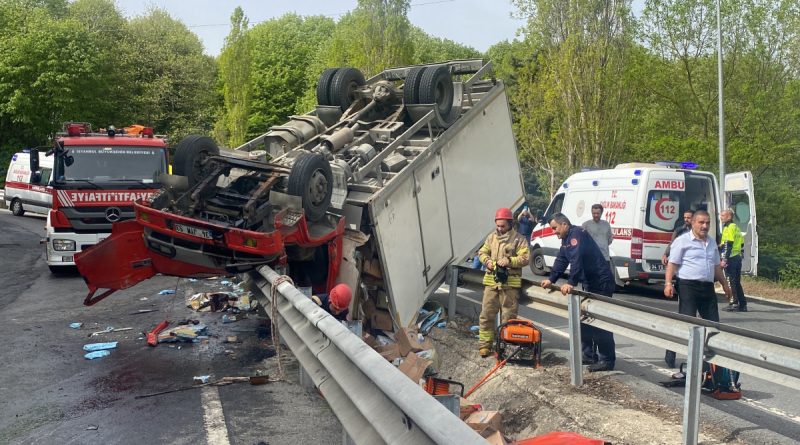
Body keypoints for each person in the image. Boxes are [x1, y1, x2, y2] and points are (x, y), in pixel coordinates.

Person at [541, 213, 617, 372]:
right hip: (589, 282)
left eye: (555, 228)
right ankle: (588, 355)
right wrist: (551, 279)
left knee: (600, 323)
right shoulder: (566, 239)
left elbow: (577, 260)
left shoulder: (576, 235)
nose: (554, 232)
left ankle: (607, 360)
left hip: (601, 282)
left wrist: (571, 283)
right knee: (585, 320)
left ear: (564, 224)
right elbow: (562, 259)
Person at [477, 208, 530, 358]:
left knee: (509, 318)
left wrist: (509, 261)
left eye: (503, 226)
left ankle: (506, 346)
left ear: (510, 224)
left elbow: (525, 258)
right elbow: (482, 252)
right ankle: (485, 346)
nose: (500, 229)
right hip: (491, 284)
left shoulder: (519, 239)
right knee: (486, 315)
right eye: (498, 226)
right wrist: (487, 261)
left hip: (509, 286)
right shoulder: (491, 238)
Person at [664, 210, 733, 323]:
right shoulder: (682, 241)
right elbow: (672, 264)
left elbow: (716, 266)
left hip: (707, 286)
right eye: (701, 222)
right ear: (693, 223)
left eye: (707, 223)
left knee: (713, 322)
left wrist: (725, 284)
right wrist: (668, 284)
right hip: (688, 286)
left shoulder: (712, 242)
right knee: (688, 320)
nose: (705, 226)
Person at [662, 208, 694, 368]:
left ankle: (703, 363)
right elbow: (672, 243)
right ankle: (671, 354)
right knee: (685, 319)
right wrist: (666, 254)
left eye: (689, 217)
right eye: (685, 217)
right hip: (684, 281)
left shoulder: (705, 238)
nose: (686, 220)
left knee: (704, 324)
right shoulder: (680, 231)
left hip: (703, 286)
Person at [720, 209, 747, 312]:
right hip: (737, 257)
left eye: (723, 215)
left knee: (730, 281)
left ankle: (733, 303)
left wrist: (725, 259)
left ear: (729, 217)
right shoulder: (736, 227)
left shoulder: (728, 227)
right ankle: (743, 304)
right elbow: (741, 243)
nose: (721, 217)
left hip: (730, 258)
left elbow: (728, 244)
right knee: (736, 282)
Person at [581, 204, 613, 269]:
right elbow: (581, 241)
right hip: (590, 258)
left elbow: (609, 240)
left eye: (598, 213)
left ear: (601, 213)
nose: (596, 215)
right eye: (594, 213)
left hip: (604, 258)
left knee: (605, 275)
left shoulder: (606, 225)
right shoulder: (585, 225)